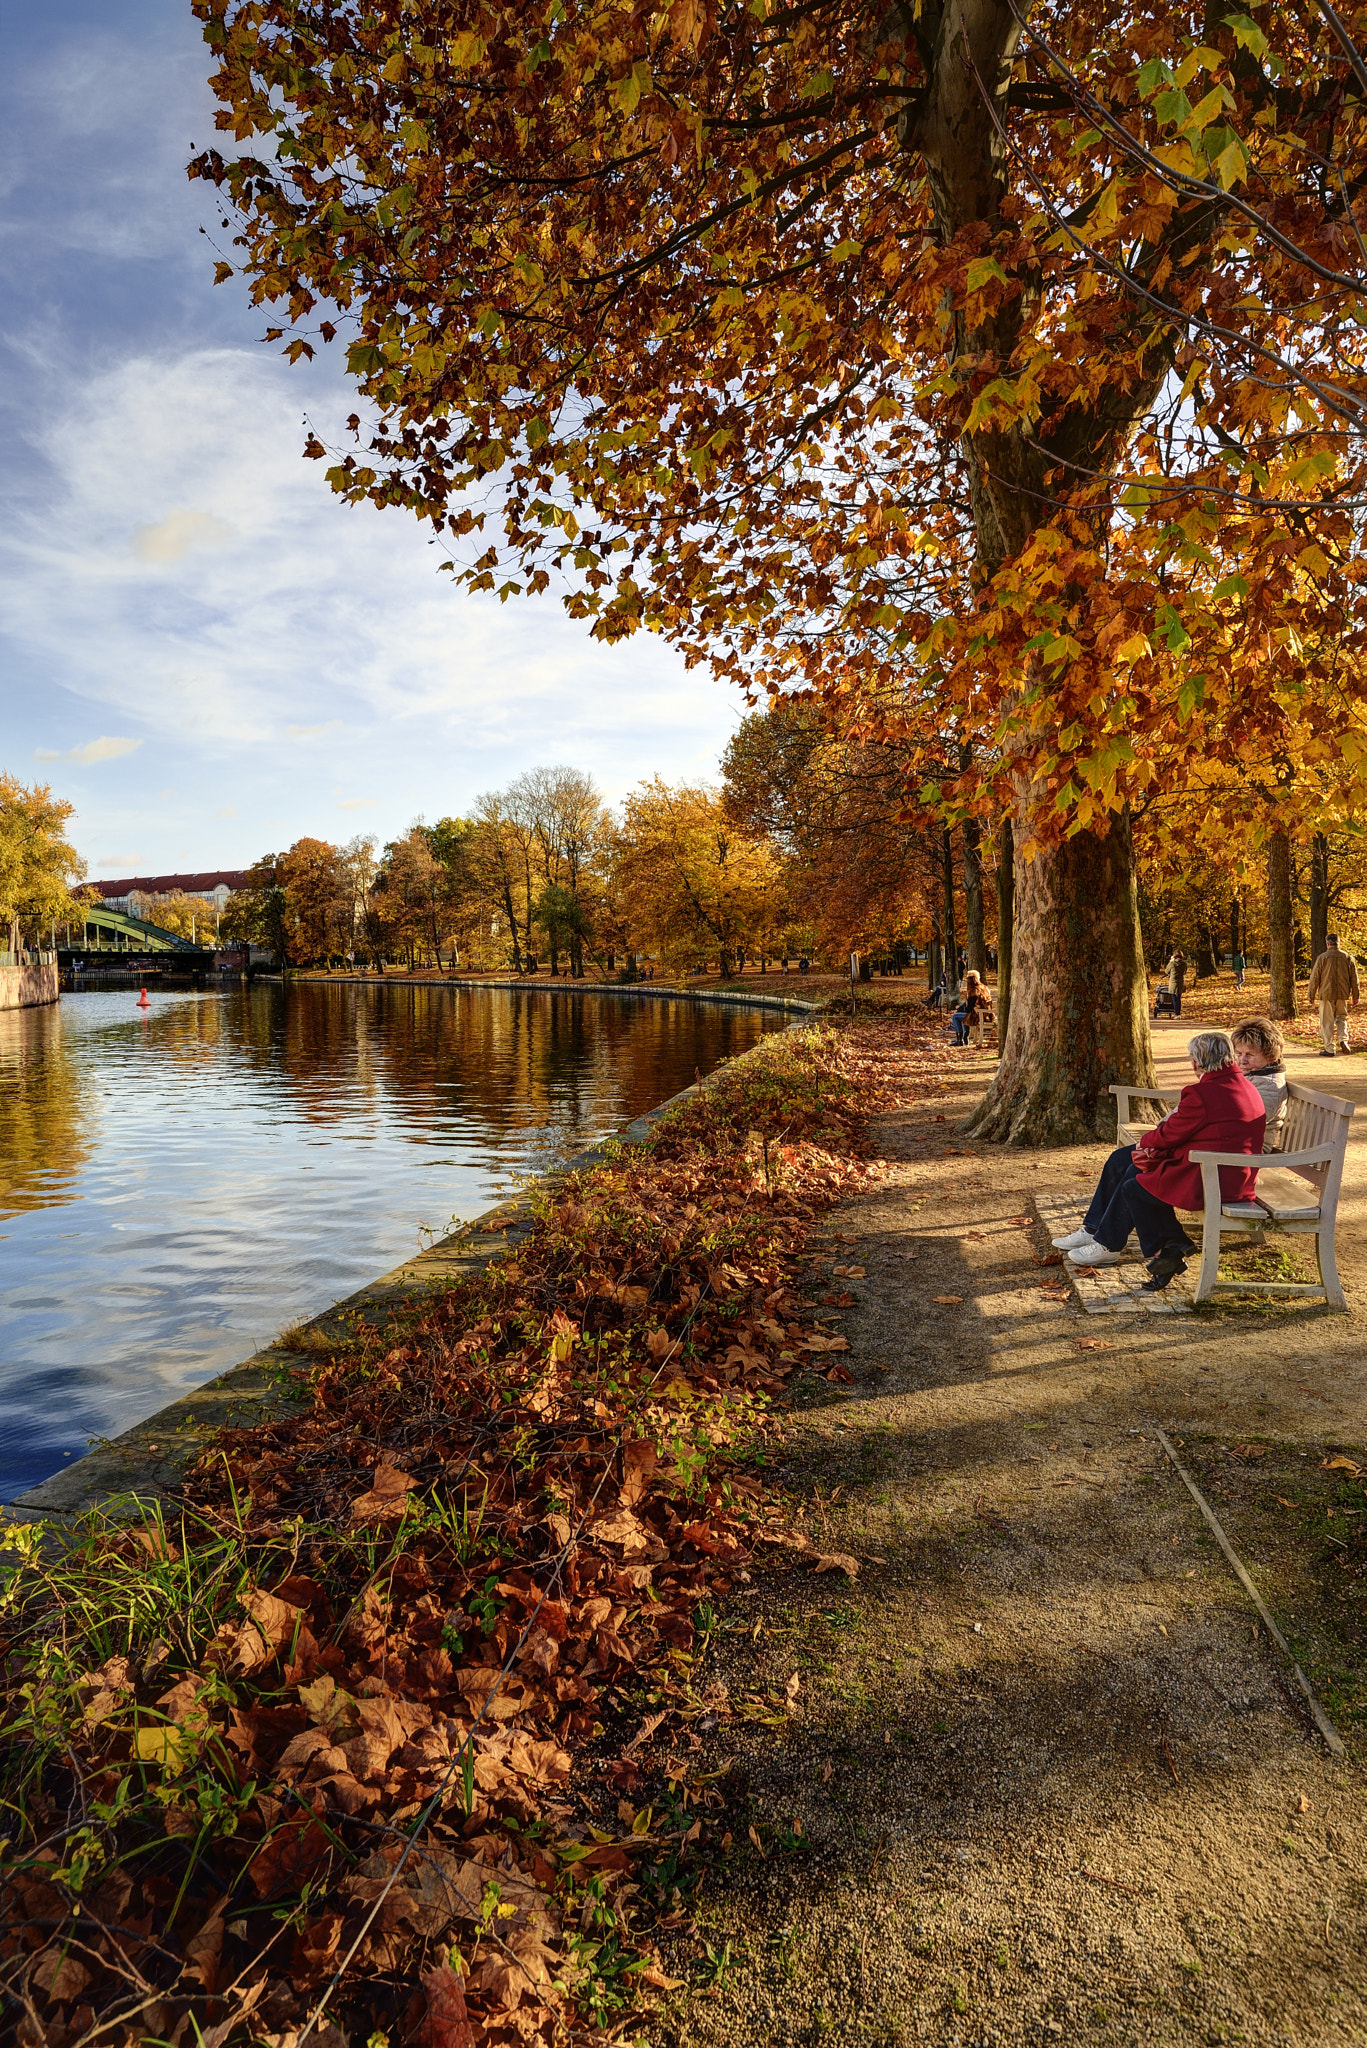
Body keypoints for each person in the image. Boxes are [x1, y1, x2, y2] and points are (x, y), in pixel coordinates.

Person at [1052, 1031, 1265, 1291]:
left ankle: (1118, 1245)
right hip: (1225, 1169)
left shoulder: (1204, 1093)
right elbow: (1191, 1131)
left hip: (1214, 1173)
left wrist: (1146, 1144)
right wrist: (1151, 1146)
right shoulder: (1237, 1084)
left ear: (1197, 1062)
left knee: (1136, 1181)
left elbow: (1170, 1133)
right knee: (1123, 1160)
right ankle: (1098, 1230)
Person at [1231, 1015, 1288, 1149]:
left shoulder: (1270, 1085)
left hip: (1251, 1148)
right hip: (1238, 1142)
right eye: (1238, 1053)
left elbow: (1247, 1123)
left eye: (1250, 1055)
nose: (1242, 1060)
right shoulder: (1252, 1075)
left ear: (1270, 1056)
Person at [1306, 933, 1360, 1056]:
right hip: (1342, 994)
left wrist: (1311, 995)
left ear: (1327, 944)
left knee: (1327, 1021)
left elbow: (1315, 977)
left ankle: (1330, 1048)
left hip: (1326, 994)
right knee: (1341, 1018)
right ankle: (1343, 1040)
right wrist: (1355, 995)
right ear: (1338, 943)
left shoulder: (1322, 958)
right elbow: (1354, 978)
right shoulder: (1347, 957)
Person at [949, 969, 991, 1046]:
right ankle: (965, 1037)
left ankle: (959, 1039)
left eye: (967, 979)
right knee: (963, 1014)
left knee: (955, 1017)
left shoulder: (974, 991)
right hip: (987, 1015)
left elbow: (969, 1008)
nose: (966, 980)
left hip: (977, 1016)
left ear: (971, 980)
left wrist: (962, 1007)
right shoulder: (984, 988)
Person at [1163, 947, 1188, 1018]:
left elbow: (1166, 971)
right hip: (1181, 982)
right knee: (1178, 998)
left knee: (1174, 998)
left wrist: (1171, 961)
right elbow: (1184, 972)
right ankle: (1178, 1013)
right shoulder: (1184, 964)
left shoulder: (1172, 963)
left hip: (1173, 982)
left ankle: (1176, 1013)